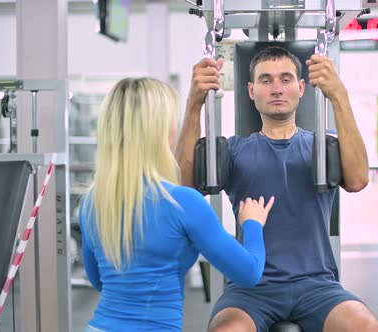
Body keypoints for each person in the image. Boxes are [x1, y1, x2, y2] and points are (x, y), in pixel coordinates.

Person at [176, 47, 378, 332]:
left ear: (301, 88)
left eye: (286, 80)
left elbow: (358, 180)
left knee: (366, 327)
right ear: (251, 91)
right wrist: (194, 103)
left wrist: (339, 95)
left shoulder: (324, 148)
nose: (276, 88)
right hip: (250, 286)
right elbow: (183, 189)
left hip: (317, 284)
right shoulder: (234, 151)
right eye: (265, 80)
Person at [78, 77, 275, 332]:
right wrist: (252, 224)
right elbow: (248, 273)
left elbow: (100, 281)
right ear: (158, 131)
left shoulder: (93, 202)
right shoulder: (182, 202)